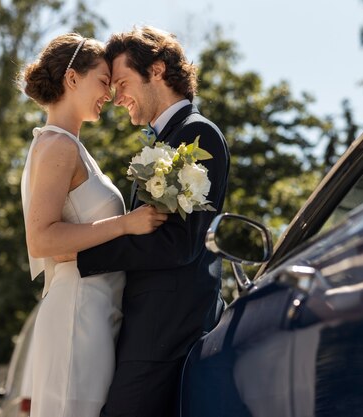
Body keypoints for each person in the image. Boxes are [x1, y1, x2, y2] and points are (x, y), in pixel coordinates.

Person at [72, 26, 230, 417]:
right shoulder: (168, 139)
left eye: (123, 82)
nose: (116, 97)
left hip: (165, 329)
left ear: (157, 70)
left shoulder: (196, 135)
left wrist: (78, 253)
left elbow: (178, 244)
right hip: (150, 327)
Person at [19, 33, 168, 417]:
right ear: (72, 79)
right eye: (103, 81)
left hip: (95, 315)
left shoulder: (72, 146)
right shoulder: (58, 146)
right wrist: (126, 224)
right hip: (75, 318)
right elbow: (41, 239)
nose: (111, 94)